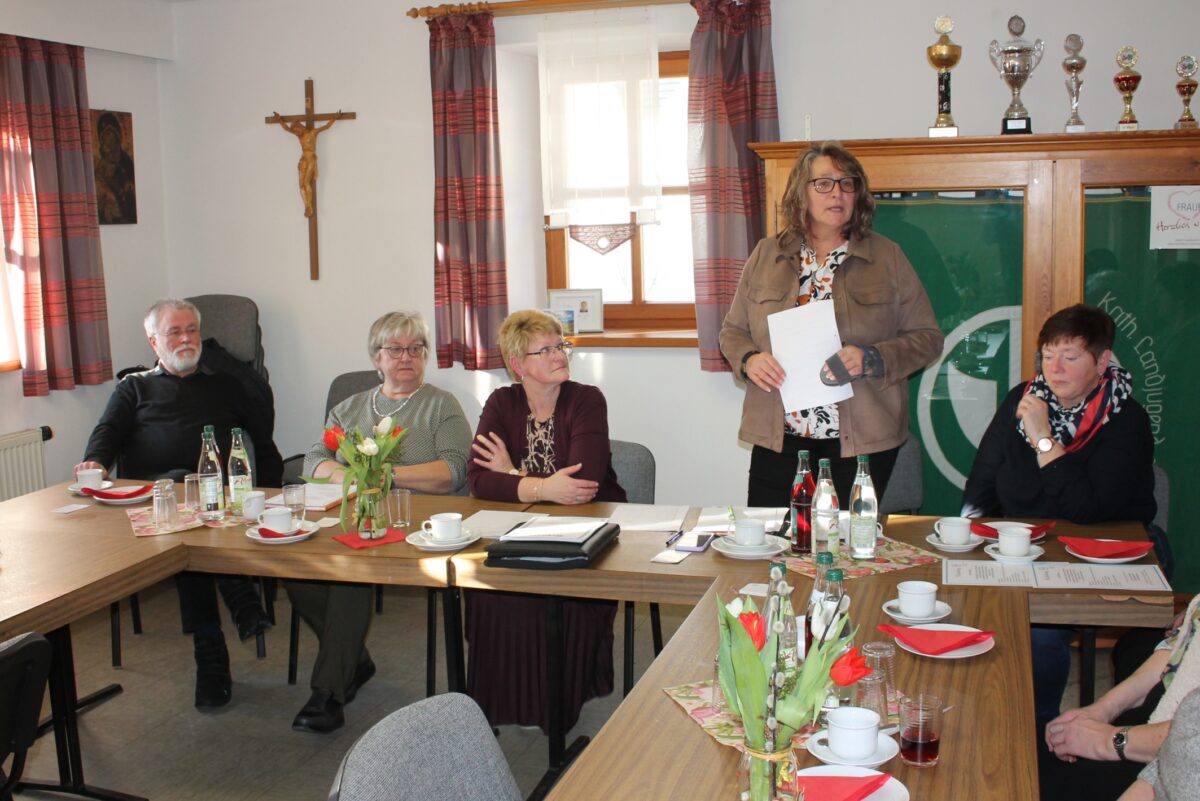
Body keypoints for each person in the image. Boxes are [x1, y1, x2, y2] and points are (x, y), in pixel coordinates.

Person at [77, 298, 282, 709]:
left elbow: (262, 439)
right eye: (175, 332)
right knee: (182, 507)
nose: (187, 338)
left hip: (222, 500)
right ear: (154, 341)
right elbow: (107, 433)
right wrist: (95, 462)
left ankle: (210, 654)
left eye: (192, 330)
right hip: (160, 501)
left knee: (197, 526)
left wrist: (272, 495)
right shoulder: (133, 388)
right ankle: (238, 601)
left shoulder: (226, 383)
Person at [962, 304, 1157, 724]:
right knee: (967, 606)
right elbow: (984, 476)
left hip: (1106, 552)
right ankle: (992, 720)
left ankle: (1039, 729)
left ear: (1102, 361)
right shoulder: (1023, 398)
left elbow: (1084, 509)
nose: (1055, 368)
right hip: (1025, 547)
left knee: (1040, 634)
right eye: (1048, 355)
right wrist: (971, 534)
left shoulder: (1126, 420)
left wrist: (1044, 439)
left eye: (1070, 357)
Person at [719, 140, 943, 506]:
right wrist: (748, 360)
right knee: (772, 548)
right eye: (823, 183)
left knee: (847, 551)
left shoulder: (887, 257)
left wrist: (871, 357)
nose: (837, 193)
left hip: (860, 444)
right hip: (779, 439)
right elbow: (732, 331)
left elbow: (928, 338)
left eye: (847, 183)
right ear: (800, 193)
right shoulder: (766, 254)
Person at [289, 310, 471, 733]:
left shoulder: (440, 404)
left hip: (417, 523)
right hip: (351, 517)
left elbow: (453, 471)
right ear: (376, 357)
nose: (406, 357)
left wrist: (383, 477)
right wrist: (354, 477)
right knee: (295, 568)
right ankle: (353, 658)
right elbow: (314, 459)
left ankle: (328, 692)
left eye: (415, 349)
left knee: (353, 574)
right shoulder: (349, 407)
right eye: (395, 349)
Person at [466, 309, 625, 732]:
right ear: (518, 365)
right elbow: (478, 480)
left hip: (587, 530)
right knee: (488, 588)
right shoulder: (502, 402)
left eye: (560, 345)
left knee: (560, 591)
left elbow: (583, 484)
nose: (559, 355)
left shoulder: (586, 399)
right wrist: (541, 487)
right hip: (519, 528)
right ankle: (498, 706)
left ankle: (554, 709)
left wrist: (515, 476)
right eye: (546, 349)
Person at [1039, 595, 1200, 801]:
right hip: (1170, 736)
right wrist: (1103, 709)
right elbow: (1179, 648)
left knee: (1041, 777)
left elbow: (1185, 751)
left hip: (1173, 753)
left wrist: (1110, 739)